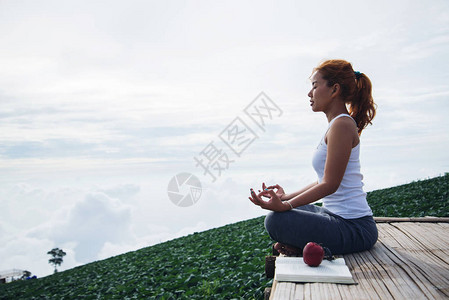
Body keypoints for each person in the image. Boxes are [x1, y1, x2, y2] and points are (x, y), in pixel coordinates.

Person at [249, 59, 378, 256]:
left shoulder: (341, 126)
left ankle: (301, 245)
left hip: (355, 228)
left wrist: (285, 206)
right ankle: (302, 244)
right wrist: (286, 197)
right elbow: (322, 180)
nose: (310, 93)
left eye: (315, 86)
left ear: (334, 90)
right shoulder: (336, 125)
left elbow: (329, 184)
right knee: (282, 214)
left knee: (275, 220)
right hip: (333, 216)